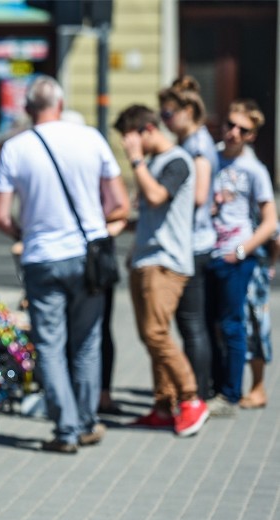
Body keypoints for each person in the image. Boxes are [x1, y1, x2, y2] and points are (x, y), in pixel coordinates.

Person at [0, 75, 128, 453]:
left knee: (50, 346)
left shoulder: (15, 148)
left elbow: (0, 216)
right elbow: (118, 203)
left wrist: (26, 232)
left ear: (28, 109)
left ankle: (65, 430)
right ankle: (87, 422)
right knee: (87, 342)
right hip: (86, 257)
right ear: (61, 105)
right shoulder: (91, 139)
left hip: (42, 258)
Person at [114, 104, 208, 437]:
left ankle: (191, 399)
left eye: (131, 139)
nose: (129, 147)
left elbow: (156, 197)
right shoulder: (154, 163)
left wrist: (136, 161)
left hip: (167, 262)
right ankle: (163, 405)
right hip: (145, 259)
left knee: (156, 334)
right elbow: (152, 215)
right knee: (149, 336)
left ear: (148, 130)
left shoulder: (178, 161)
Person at [205, 99, 278, 417]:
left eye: (242, 129)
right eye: (229, 124)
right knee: (217, 325)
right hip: (212, 252)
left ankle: (245, 389)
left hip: (242, 256)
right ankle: (219, 385)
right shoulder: (211, 159)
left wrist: (242, 251)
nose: (233, 132)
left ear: (252, 135)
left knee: (245, 323)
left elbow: (270, 221)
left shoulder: (253, 169)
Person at [157, 75, 217, 400]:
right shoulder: (191, 143)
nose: (165, 121)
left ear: (188, 110)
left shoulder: (197, 146)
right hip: (191, 241)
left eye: (169, 114)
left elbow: (199, 194)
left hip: (194, 243)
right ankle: (195, 389)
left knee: (192, 324)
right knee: (191, 323)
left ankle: (199, 392)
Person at [240, 226, 279, 409]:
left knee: (256, 328)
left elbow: (276, 237)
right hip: (252, 267)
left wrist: (270, 263)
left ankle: (258, 388)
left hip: (253, 270)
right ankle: (254, 387)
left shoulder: (258, 202)